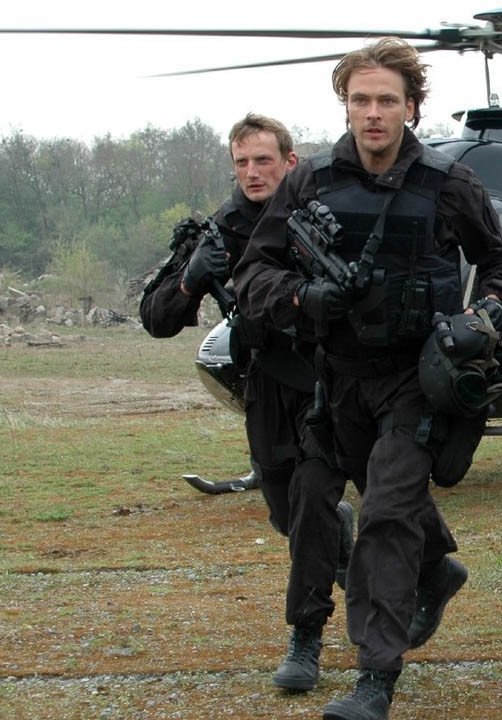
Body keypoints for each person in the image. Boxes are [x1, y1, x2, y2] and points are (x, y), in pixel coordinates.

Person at [233, 37, 502, 720]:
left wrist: (484, 316)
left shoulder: (449, 184)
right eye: (360, 99)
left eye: (386, 101)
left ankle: (375, 676)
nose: (372, 113)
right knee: (310, 500)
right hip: (335, 378)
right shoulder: (309, 182)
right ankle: (359, 608)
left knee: (387, 514)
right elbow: (253, 272)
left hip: (415, 378)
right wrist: (303, 297)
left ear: (411, 108)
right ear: (345, 105)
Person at [139, 113, 356, 693]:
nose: (253, 172)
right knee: (287, 514)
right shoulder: (221, 230)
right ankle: (341, 541)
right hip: (265, 389)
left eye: (264, 160)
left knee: (311, 500)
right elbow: (156, 318)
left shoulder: (323, 214)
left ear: (290, 162)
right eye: (242, 162)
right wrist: (191, 280)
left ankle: (305, 637)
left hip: (326, 383)